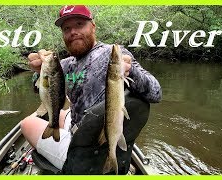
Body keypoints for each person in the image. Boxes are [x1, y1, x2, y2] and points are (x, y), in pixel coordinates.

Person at [20, 5, 162, 172]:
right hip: (80, 125)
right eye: (67, 28)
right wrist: (39, 72)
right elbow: (39, 90)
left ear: (93, 26)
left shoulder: (112, 55)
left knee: (27, 123)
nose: (73, 31)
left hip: (89, 148)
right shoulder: (65, 64)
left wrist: (132, 72)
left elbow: (156, 93)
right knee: (62, 113)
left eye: (79, 24)